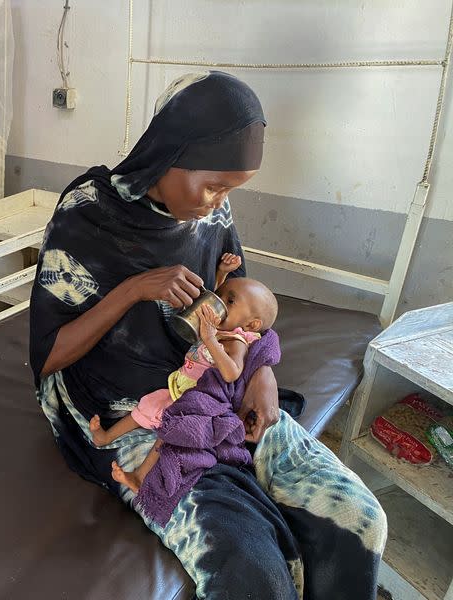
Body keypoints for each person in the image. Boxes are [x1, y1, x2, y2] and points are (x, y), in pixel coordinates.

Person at [29, 71, 387, 599]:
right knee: (252, 573)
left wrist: (262, 372)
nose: (218, 203)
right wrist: (133, 290)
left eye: (231, 190)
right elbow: (49, 356)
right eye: (214, 185)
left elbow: (244, 298)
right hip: (123, 404)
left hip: (211, 384)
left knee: (360, 516)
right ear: (168, 154)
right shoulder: (88, 213)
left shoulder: (212, 210)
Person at [90, 267, 278, 494]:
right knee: (145, 407)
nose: (218, 303)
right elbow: (213, 299)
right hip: (180, 387)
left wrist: (209, 338)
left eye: (229, 301)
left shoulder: (235, 340)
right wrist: (221, 274)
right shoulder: (219, 326)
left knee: (168, 433)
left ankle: (140, 477)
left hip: (195, 401)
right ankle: (105, 437)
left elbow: (232, 373)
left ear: (250, 326)